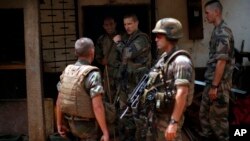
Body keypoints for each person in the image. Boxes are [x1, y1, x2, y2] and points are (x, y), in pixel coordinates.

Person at [141, 17, 194, 141]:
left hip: (169, 116)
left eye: (159, 36)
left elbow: (182, 93)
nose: (156, 39)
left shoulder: (181, 61)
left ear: (170, 36)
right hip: (158, 115)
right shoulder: (163, 58)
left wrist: (173, 122)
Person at [56, 37, 109, 141]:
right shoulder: (92, 74)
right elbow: (97, 106)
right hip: (88, 127)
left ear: (76, 52)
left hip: (70, 125)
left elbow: (59, 101)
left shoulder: (67, 71)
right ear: (92, 52)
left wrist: (59, 123)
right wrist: (105, 132)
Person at [199, 1, 235, 141]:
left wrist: (214, 86)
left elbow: (221, 61)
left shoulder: (222, 32)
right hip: (212, 82)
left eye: (207, 13)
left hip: (219, 85)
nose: (205, 16)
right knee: (204, 115)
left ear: (216, 12)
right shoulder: (216, 30)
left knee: (218, 121)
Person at [113, 13, 152, 141]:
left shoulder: (142, 39)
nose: (127, 27)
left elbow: (127, 53)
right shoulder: (128, 39)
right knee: (125, 114)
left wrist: (118, 42)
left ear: (136, 23)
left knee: (138, 115)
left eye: (130, 24)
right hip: (126, 83)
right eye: (125, 24)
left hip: (137, 84)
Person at [95, 16, 122, 104]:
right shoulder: (101, 39)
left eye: (111, 24)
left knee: (122, 94)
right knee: (108, 95)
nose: (109, 27)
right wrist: (101, 61)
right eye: (106, 25)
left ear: (115, 24)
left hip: (120, 71)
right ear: (103, 26)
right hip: (108, 72)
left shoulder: (122, 37)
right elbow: (97, 55)